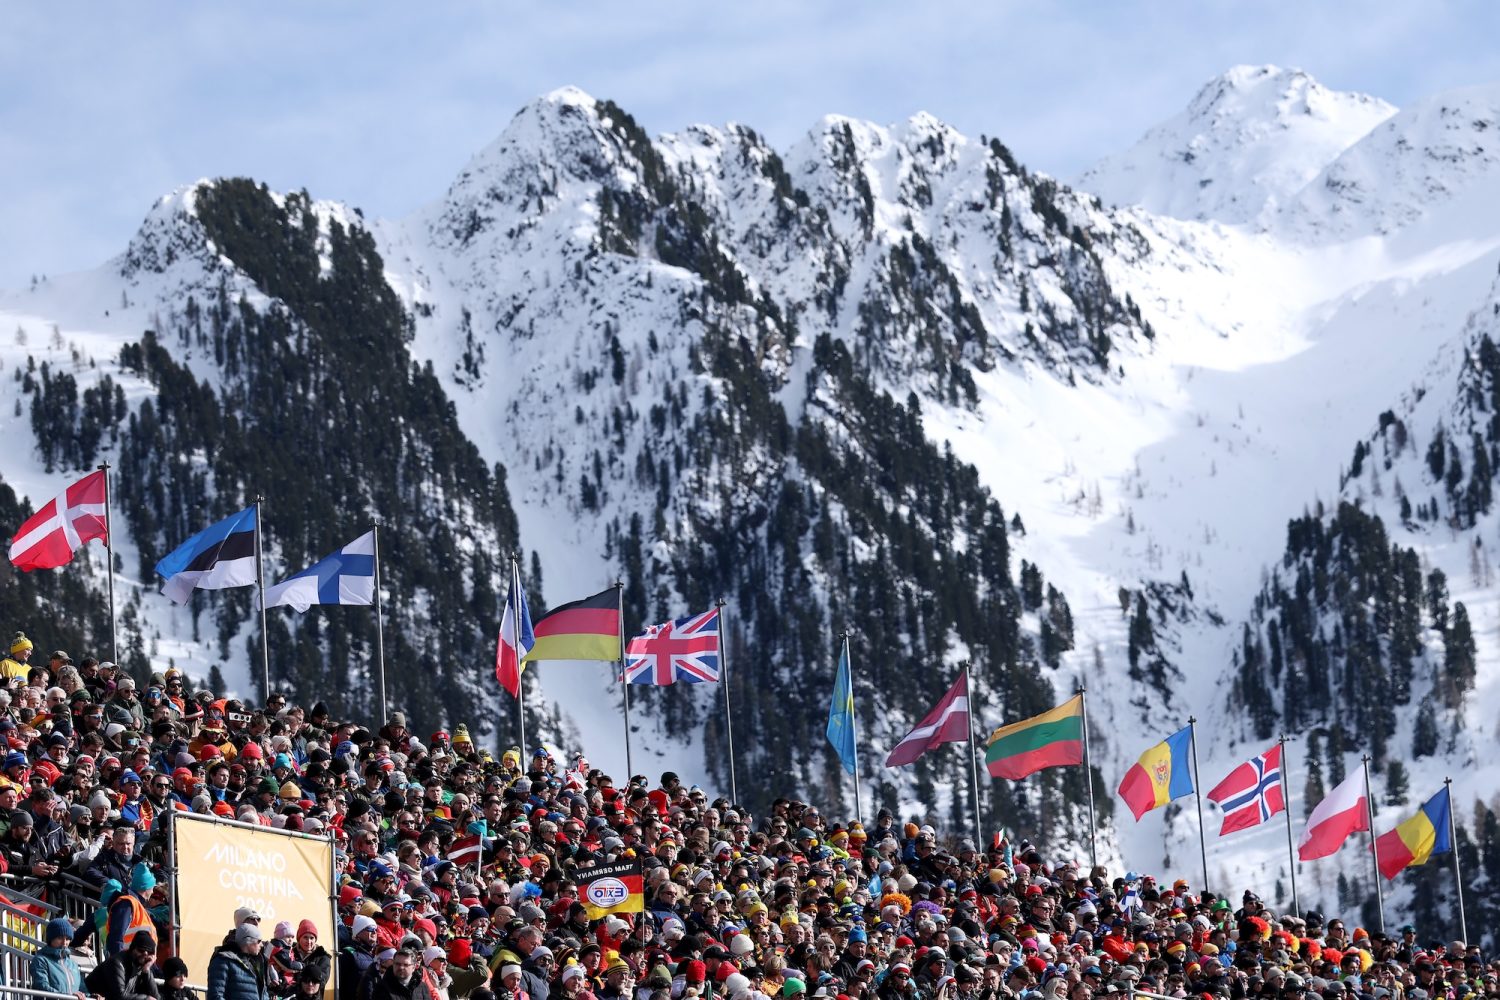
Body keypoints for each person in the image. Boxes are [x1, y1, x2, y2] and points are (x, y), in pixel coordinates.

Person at [86, 931, 161, 1000]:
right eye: (141, 950)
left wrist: (147, 970)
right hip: (89, 996)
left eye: (150, 952)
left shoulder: (144, 967)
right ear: (132, 949)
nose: (145, 955)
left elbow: (156, 997)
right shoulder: (117, 962)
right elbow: (120, 996)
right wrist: (145, 998)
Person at [208, 922, 270, 1000]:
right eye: (259, 941)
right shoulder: (223, 960)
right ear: (248, 940)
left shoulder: (257, 963)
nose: (261, 945)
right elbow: (215, 995)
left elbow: (263, 993)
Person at [32, 916, 87, 1000]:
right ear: (50, 939)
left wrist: (92, 996)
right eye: (60, 938)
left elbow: (82, 990)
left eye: (68, 939)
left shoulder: (73, 964)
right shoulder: (40, 960)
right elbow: (42, 986)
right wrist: (68, 996)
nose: (64, 942)